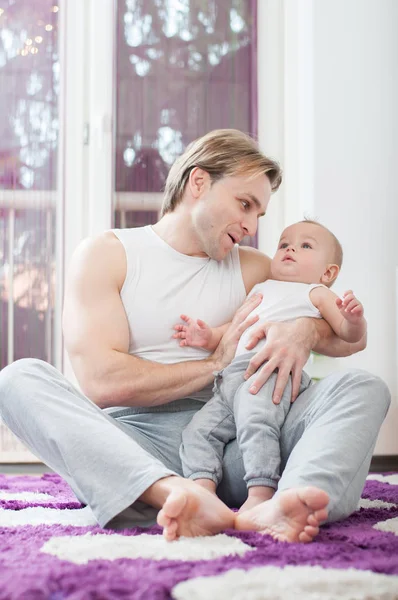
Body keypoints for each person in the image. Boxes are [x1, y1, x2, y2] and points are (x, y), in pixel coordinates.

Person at [0, 129, 390, 545]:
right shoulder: (108, 254)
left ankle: (287, 503)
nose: (251, 226)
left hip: (246, 442)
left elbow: (344, 334)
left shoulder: (256, 268)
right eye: (245, 205)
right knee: (17, 379)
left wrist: (304, 330)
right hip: (140, 449)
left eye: (258, 215)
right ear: (198, 182)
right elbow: (103, 382)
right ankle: (176, 494)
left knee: (363, 388)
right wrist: (216, 364)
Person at [174, 219, 366, 522]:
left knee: (256, 423)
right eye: (284, 243)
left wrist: (353, 320)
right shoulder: (261, 288)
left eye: (305, 245)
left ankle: (261, 494)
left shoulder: (315, 293)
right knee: (197, 432)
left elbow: (348, 334)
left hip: (271, 373)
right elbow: (236, 327)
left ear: (327, 273)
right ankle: (202, 492)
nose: (290, 248)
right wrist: (208, 336)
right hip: (230, 380)